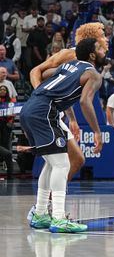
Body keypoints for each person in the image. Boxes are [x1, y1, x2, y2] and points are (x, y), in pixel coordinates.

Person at [20, 38, 104, 234]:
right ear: (92, 55)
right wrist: (97, 131)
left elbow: (45, 75)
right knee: (62, 164)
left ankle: (40, 213)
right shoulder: (93, 74)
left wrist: (43, 96)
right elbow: (85, 102)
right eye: (100, 48)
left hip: (30, 108)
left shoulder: (69, 65)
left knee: (52, 163)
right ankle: (58, 218)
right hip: (44, 112)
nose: (103, 50)